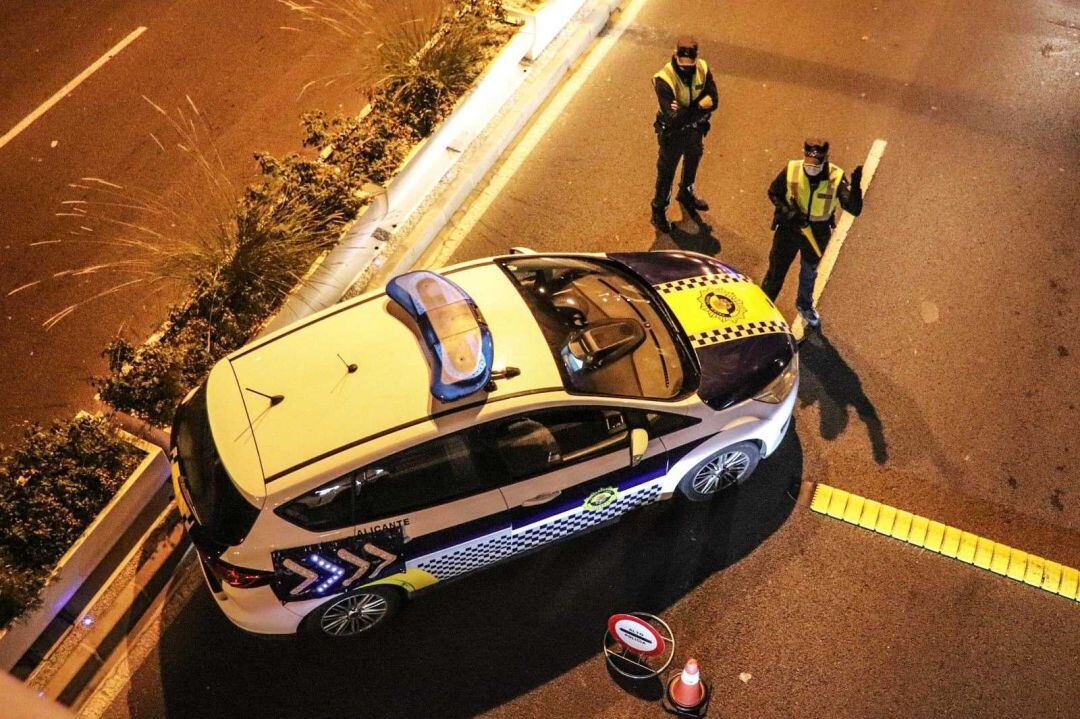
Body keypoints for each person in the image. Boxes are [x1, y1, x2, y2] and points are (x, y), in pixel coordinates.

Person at [762, 139, 864, 328]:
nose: (812, 168)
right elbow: (773, 192)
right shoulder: (792, 169)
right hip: (789, 230)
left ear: (826, 159)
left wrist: (856, 187)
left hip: (817, 235)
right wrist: (789, 213)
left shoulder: (836, 177)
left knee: (808, 274)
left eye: (816, 165)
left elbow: (854, 209)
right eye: (809, 164)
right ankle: (762, 308)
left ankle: (804, 305)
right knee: (775, 271)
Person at [650, 36, 718, 234]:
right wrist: (699, 106)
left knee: (694, 158)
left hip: (695, 130)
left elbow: (714, 100)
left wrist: (684, 110)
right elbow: (672, 118)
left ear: (696, 59)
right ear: (675, 56)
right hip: (672, 134)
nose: (686, 68)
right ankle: (658, 209)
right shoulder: (664, 78)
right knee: (666, 172)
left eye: (690, 65)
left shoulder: (703, 69)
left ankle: (686, 191)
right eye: (682, 64)